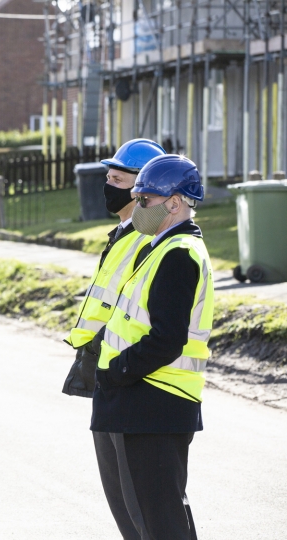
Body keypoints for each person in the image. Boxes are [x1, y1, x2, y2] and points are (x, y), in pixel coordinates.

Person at [93, 154, 213, 540]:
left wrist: (116, 373)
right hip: (142, 403)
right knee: (151, 518)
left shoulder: (179, 254)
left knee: (160, 523)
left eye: (144, 199)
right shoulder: (161, 246)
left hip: (154, 402)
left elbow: (166, 338)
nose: (138, 205)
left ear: (175, 202)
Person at [62, 137, 165, 398]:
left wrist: (105, 357)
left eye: (118, 181)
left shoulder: (147, 240)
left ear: (143, 189)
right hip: (102, 367)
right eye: (108, 178)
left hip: (122, 373)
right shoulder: (122, 234)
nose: (108, 186)